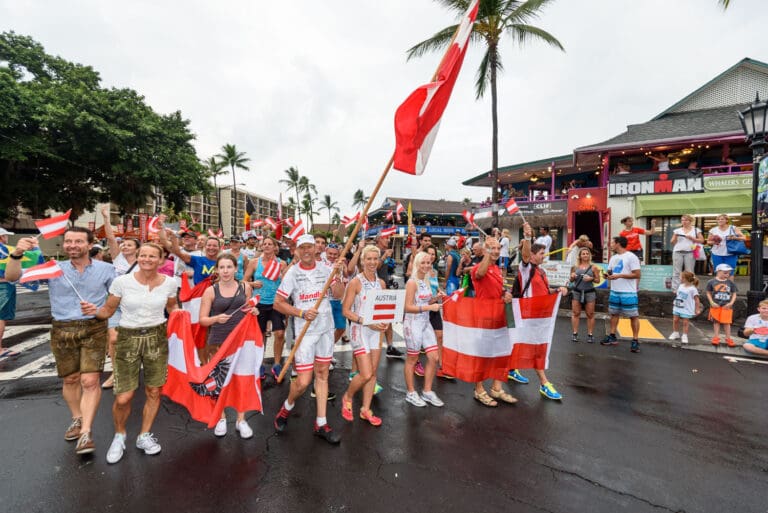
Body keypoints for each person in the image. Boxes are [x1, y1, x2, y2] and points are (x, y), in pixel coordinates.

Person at [80, 242, 178, 463]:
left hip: (157, 338)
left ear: (161, 260)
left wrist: (180, 317)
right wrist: (94, 311)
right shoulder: (121, 282)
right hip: (128, 338)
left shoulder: (170, 283)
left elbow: (172, 307)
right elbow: (108, 309)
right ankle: (120, 435)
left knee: (154, 391)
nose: (147, 259)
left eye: (152, 256)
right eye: (143, 255)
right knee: (124, 397)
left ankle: (144, 435)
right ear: (138, 258)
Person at [19, 227, 114, 455]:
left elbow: (116, 299)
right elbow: (16, 277)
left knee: (90, 381)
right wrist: (16, 256)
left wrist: (101, 312)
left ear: (90, 245)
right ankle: (76, 418)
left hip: (94, 328)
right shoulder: (53, 269)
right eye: (68, 241)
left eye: (78, 241)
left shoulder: (107, 269)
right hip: (62, 329)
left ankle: (86, 432)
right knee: (71, 379)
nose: (72, 245)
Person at [272, 234, 345, 445]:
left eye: (309, 247)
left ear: (316, 249)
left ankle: (321, 423)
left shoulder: (325, 268)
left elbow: (338, 295)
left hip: (325, 329)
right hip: (305, 331)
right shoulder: (292, 273)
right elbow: (278, 303)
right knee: (303, 381)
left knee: (322, 374)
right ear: (296, 250)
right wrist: (301, 313)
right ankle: (287, 407)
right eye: (301, 247)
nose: (306, 251)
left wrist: (337, 276)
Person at [507, 225, 569, 400]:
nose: (544, 255)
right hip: (527, 315)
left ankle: (511, 369)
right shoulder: (526, 268)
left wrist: (558, 291)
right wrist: (527, 237)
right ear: (532, 256)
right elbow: (525, 256)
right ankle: (544, 384)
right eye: (541, 253)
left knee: (520, 344)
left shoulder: (541, 271)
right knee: (536, 348)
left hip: (538, 316)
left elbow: (545, 290)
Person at [199, 254, 257, 438]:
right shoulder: (210, 291)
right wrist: (216, 318)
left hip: (241, 340)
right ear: (217, 270)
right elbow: (202, 320)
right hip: (219, 341)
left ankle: (241, 419)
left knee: (241, 379)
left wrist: (253, 310)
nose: (225, 271)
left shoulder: (245, 286)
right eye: (222, 267)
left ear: (235, 269)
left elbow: (247, 307)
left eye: (229, 267)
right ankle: (221, 417)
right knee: (219, 381)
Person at [340, 245, 387, 425]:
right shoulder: (355, 282)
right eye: (369, 259)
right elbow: (345, 310)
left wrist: (385, 321)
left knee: (373, 373)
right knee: (365, 373)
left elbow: (385, 309)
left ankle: (365, 409)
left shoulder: (381, 283)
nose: (373, 262)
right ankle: (348, 397)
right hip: (360, 330)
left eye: (376, 259)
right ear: (362, 260)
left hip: (376, 332)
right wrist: (366, 322)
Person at [471, 237, 518, 407]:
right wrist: (487, 253)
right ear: (484, 251)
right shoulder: (478, 267)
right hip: (484, 318)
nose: (496, 251)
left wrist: (505, 293)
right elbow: (480, 274)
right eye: (492, 248)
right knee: (482, 355)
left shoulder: (497, 269)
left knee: (501, 353)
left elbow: (497, 289)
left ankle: (496, 388)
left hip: (499, 317)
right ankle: (479, 390)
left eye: (498, 248)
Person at [100, 206, 140, 390]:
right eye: (123, 244)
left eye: (129, 244)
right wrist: (106, 219)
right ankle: (115, 374)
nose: (124, 246)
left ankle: (132, 369)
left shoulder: (144, 262)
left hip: (137, 306)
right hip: (116, 304)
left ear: (137, 249)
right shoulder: (118, 259)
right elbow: (110, 238)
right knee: (114, 339)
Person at [403, 251, 445, 408]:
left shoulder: (425, 281)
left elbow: (425, 300)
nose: (427, 265)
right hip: (413, 323)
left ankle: (427, 391)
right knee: (412, 359)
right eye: (423, 263)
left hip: (425, 323)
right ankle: (411, 392)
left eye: (429, 263)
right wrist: (430, 306)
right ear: (417, 264)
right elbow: (407, 307)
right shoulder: (412, 282)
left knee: (434, 358)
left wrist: (435, 299)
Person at [243, 236, 287, 378]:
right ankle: (259, 364)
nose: (267, 246)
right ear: (261, 247)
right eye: (264, 244)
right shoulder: (254, 262)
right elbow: (243, 281)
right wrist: (252, 284)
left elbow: (287, 283)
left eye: (270, 244)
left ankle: (277, 364)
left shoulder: (282, 263)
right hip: (259, 303)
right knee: (260, 335)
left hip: (276, 302)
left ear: (275, 247)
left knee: (279, 334)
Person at [601, 236, 642, 353]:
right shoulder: (613, 258)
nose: (610, 245)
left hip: (628, 292)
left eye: (612, 243)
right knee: (614, 314)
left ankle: (635, 340)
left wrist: (619, 275)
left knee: (633, 316)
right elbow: (610, 272)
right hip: (615, 291)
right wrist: (606, 275)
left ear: (618, 244)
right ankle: (612, 336)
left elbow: (637, 274)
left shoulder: (631, 257)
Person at [374, 233, 403, 359]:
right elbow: (374, 267)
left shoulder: (384, 251)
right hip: (375, 289)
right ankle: (374, 347)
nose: (389, 240)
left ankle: (390, 346)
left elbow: (387, 269)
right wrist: (384, 256)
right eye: (386, 238)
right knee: (375, 320)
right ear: (380, 239)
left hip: (385, 287)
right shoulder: (375, 252)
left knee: (388, 318)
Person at [569, 247, 601, 343]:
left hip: (589, 292)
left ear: (589, 255)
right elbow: (571, 280)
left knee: (590, 314)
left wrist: (590, 279)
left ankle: (590, 334)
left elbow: (598, 280)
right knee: (576, 313)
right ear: (580, 256)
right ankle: (575, 333)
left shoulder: (593, 267)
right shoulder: (574, 267)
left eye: (587, 253)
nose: (585, 255)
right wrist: (572, 277)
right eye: (583, 254)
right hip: (577, 291)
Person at [705, 263, 738, 347]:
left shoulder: (730, 282)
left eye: (728, 273)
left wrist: (731, 303)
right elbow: (708, 292)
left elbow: (734, 293)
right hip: (715, 305)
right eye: (725, 272)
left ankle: (728, 338)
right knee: (716, 322)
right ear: (718, 271)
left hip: (727, 306)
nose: (727, 275)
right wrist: (711, 302)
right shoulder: (711, 282)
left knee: (727, 322)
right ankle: (716, 337)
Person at [670, 215, 704, 291]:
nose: (684, 222)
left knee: (690, 271)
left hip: (690, 252)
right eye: (682, 220)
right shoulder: (677, 230)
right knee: (676, 271)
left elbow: (702, 240)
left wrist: (692, 238)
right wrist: (675, 236)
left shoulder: (696, 230)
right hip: (677, 251)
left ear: (690, 221)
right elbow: (672, 242)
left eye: (686, 220)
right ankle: (675, 288)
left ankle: (691, 287)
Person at [668, 271, 701, 345]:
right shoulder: (681, 286)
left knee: (685, 322)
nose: (680, 278)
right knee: (675, 320)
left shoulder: (693, 289)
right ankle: (675, 333)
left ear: (685, 278)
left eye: (681, 277)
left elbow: (697, 299)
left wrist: (697, 308)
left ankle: (684, 335)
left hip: (686, 308)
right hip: (677, 306)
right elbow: (678, 294)